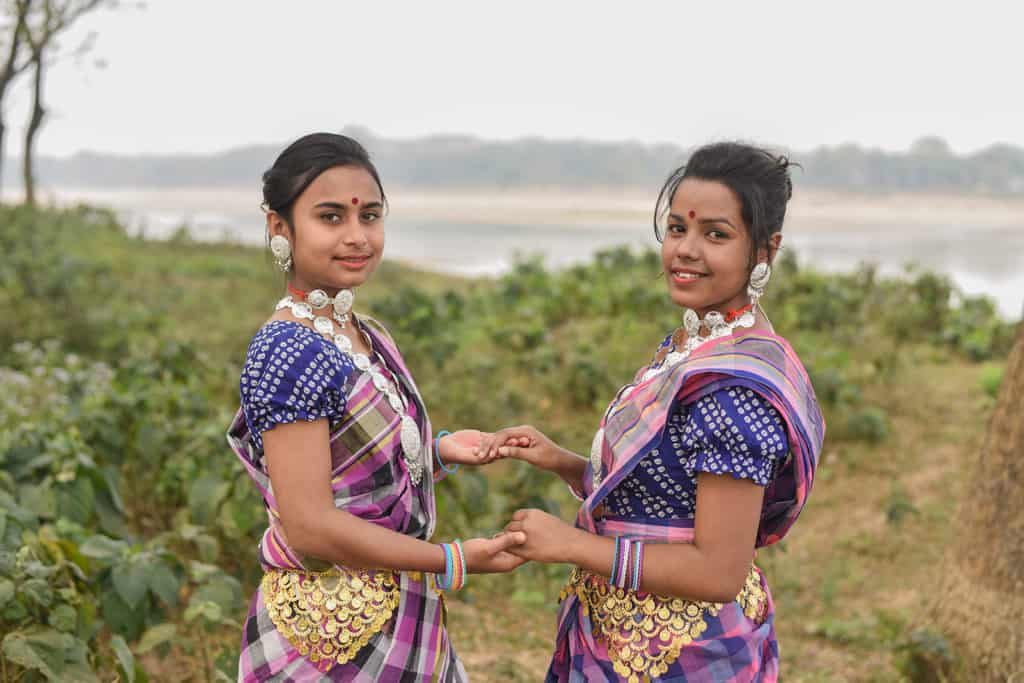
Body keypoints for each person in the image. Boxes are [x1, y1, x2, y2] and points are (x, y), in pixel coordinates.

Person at [480, 142, 826, 682]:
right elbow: (665, 490)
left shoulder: (736, 392)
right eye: (676, 229)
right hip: (619, 634)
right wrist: (563, 461)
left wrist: (574, 545)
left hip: (685, 655)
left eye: (716, 234)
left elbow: (718, 571)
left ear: (765, 250)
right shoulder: (695, 344)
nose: (685, 250)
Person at [225, 133, 525, 682]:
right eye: (331, 217)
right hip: (327, 634)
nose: (357, 237)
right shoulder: (288, 348)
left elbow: (346, 473)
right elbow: (311, 525)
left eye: (371, 215)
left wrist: (439, 452)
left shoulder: (364, 334)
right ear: (279, 228)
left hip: (399, 613)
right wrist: (452, 560)